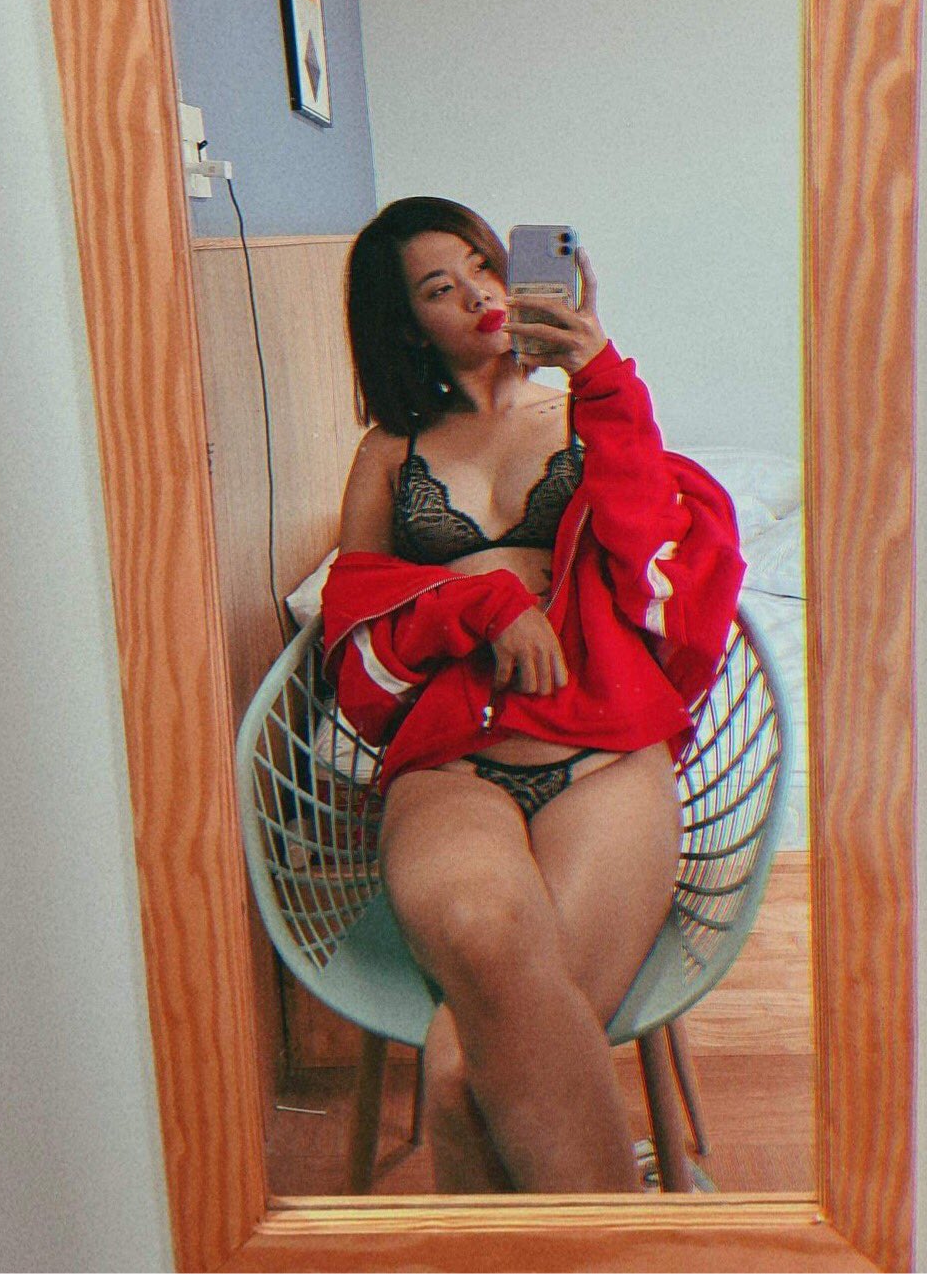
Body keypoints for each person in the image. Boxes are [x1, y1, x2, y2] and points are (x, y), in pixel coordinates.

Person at [321, 196, 744, 1193]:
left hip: (603, 759)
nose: (478, 291)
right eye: (440, 286)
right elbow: (352, 618)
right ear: (406, 323)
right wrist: (482, 601)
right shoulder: (388, 451)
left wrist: (598, 369)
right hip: (452, 765)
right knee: (477, 929)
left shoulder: (587, 409)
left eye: (482, 263)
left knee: (457, 1076)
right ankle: (628, 1219)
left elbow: (655, 552)